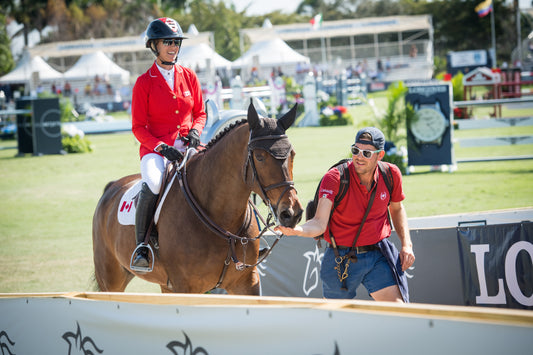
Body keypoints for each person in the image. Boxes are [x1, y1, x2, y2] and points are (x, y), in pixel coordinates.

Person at [275, 127, 415, 302]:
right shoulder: (334, 178)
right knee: (336, 319)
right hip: (339, 259)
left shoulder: (391, 174)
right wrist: (299, 230)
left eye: (366, 153)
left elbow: (397, 208)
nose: (359, 156)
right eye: (355, 150)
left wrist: (406, 245)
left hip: (378, 254)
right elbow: (319, 222)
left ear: (380, 155)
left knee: (398, 311)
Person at [130, 17, 207, 270]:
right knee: (153, 181)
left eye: (176, 42)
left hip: (188, 144)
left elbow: (200, 112)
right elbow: (138, 127)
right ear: (154, 45)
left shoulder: (189, 76)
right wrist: (162, 148)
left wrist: (196, 131)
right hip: (157, 150)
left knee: (226, 168)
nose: (173, 46)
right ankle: (142, 245)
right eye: (167, 42)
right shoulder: (144, 82)